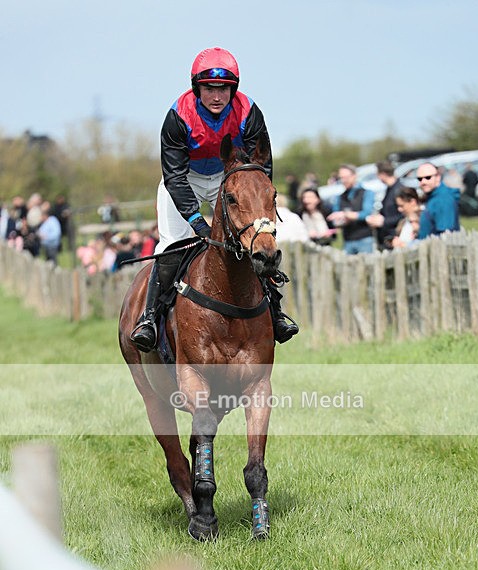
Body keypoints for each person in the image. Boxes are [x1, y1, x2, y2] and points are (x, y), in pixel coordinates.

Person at [131, 47, 298, 352]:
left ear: (233, 89)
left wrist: (258, 209)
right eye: (209, 89)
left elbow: (262, 168)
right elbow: (174, 177)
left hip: (228, 178)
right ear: (197, 88)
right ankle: (149, 318)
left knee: (254, 242)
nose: (217, 96)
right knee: (171, 246)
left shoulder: (249, 112)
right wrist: (197, 222)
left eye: (224, 89)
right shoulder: (178, 116)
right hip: (185, 180)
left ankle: (275, 313)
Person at [327, 164, 375, 254]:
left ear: (354, 176)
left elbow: (366, 213)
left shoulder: (366, 193)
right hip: (348, 240)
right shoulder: (339, 197)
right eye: (341, 178)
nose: (344, 181)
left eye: (346, 177)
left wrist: (345, 214)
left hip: (364, 239)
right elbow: (335, 218)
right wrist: (341, 220)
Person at [366, 160, 403, 250]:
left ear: (382, 174)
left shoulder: (399, 190)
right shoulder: (389, 189)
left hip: (395, 237)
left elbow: (403, 215)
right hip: (386, 237)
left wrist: (384, 221)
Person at [416, 162, 460, 239]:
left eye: (428, 177)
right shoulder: (432, 197)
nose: (423, 182)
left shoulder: (443, 199)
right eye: (420, 179)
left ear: (438, 177)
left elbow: (446, 235)